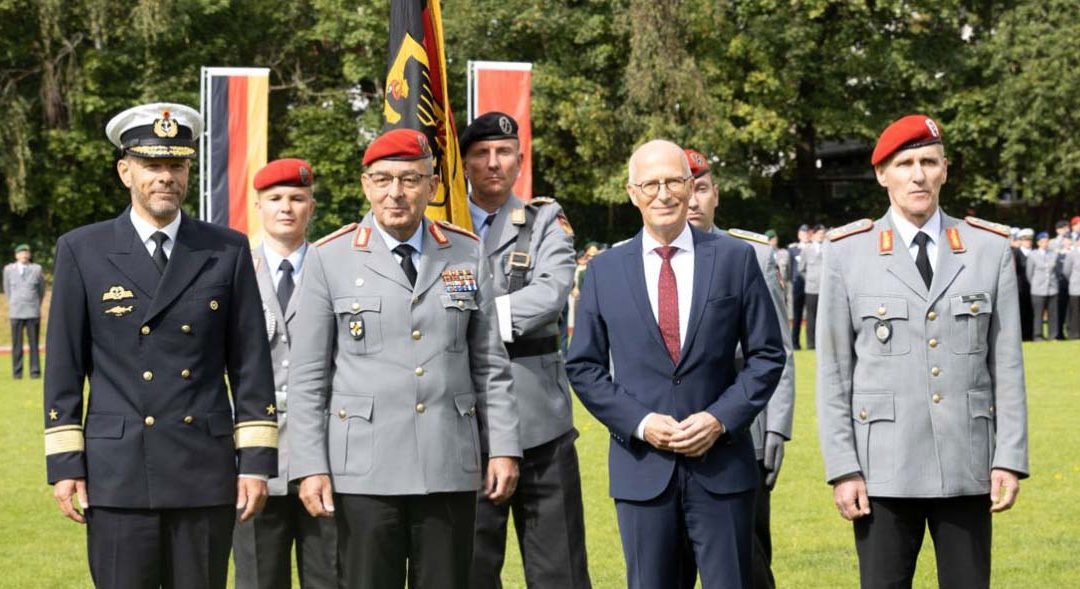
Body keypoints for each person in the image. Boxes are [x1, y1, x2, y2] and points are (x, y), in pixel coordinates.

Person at [43, 102, 278, 587]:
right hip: (119, 473)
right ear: (125, 171)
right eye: (152, 165)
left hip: (203, 469)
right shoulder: (81, 250)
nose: (165, 177)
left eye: (176, 165)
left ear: (189, 171)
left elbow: (252, 365)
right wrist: (66, 464)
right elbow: (65, 368)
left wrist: (255, 464)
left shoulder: (225, 248)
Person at [286, 128, 521, 589]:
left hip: (447, 464)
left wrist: (505, 447)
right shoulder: (329, 258)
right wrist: (310, 464)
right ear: (366, 185)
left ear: (432, 187)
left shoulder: (467, 252)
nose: (396, 192)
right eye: (384, 179)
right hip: (364, 471)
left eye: (410, 180)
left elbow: (490, 364)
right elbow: (309, 377)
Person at [816, 114, 1028, 588]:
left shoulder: (987, 249)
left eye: (929, 162)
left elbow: (1007, 363)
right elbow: (833, 374)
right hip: (882, 471)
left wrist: (1008, 457)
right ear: (882, 174)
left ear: (945, 170)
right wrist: (843, 469)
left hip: (966, 464)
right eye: (905, 163)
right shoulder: (848, 253)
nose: (918, 174)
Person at [566, 140, 785, 588]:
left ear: (690, 187)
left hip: (722, 469)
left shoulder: (734, 260)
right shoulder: (604, 271)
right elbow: (584, 367)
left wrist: (719, 419)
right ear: (632, 192)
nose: (662, 194)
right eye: (651, 184)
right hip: (642, 470)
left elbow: (767, 355)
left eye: (673, 182)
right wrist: (642, 422)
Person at [460, 112, 591, 589]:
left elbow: (550, 294)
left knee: (560, 572)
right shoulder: (439, 228)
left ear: (519, 160)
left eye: (503, 153)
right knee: (469, 571)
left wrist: (467, 319)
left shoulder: (543, 221)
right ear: (464, 162)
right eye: (480, 154)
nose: (492, 163)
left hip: (539, 421)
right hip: (466, 423)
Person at [684, 148, 795, 589]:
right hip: (668, 435)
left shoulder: (752, 256)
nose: (692, 201)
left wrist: (776, 428)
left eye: (702, 189)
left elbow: (776, 350)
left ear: (717, 195)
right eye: (683, 189)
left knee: (747, 563)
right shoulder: (638, 259)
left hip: (743, 435)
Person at [232, 159, 341, 589]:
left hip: (327, 458)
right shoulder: (233, 271)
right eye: (275, 199)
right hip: (256, 461)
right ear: (257, 206)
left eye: (297, 198)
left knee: (330, 577)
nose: (286, 208)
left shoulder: (337, 269)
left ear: (311, 206)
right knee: (258, 579)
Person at [3, 244, 45, 379]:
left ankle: (35, 371)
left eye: (26, 252)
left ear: (30, 255)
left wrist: (36, 304)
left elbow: (41, 291)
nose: (24, 255)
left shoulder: (36, 269)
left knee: (34, 344)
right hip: (16, 311)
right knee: (17, 344)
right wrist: (14, 303)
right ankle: (17, 372)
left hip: (32, 310)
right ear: (16, 255)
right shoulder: (9, 269)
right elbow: (7, 289)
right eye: (21, 253)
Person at [1027, 231, 1059, 341]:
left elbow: (1057, 271)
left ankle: (1052, 335)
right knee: (1038, 314)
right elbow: (1029, 273)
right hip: (1038, 289)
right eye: (1043, 242)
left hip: (1052, 288)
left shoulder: (1053, 254)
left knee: (1053, 314)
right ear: (1038, 243)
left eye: (1047, 241)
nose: (1045, 243)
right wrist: (1035, 284)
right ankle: (1038, 335)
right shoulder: (1033, 255)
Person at [799, 224, 826, 350]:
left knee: (825, 317)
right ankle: (811, 343)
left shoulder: (828, 248)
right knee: (811, 316)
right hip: (811, 289)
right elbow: (801, 269)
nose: (822, 236)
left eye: (823, 234)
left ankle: (823, 343)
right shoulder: (807, 249)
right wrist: (809, 279)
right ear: (813, 234)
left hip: (825, 289)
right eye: (820, 234)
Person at [787, 225, 810, 349]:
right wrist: (792, 281)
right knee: (797, 315)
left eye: (807, 233)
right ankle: (795, 342)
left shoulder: (813, 247)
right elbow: (790, 268)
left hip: (812, 285)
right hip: (798, 284)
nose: (805, 235)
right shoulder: (793, 249)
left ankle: (812, 342)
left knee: (812, 316)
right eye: (803, 233)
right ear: (799, 235)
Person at [1049, 220, 1071, 339]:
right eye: (1063, 228)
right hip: (1058, 280)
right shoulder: (1052, 243)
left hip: (1071, 281)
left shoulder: (1072, 242)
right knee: (1060, 307)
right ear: (1058, 230)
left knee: (1071, 308)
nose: (1066, 230)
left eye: (1066, 228)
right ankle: (1059, 332)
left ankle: (1071, 331)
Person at [1014, 228, 1035, 340]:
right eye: (1025, 240)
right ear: (1021, 240)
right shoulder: (1016, 253)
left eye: (1029, 240)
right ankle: (1022, 335)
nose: (1028, 242)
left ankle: (1030, 334)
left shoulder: (1034, 252)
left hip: (1034, 287)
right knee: (1021, 312)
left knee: (1032, 312)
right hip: (1021, 287)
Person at [1063, 238, 1080, 339]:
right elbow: (1066, 271)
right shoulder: (1072, 254)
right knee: (1075, 312)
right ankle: (1074, 334)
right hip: (1076, 287)